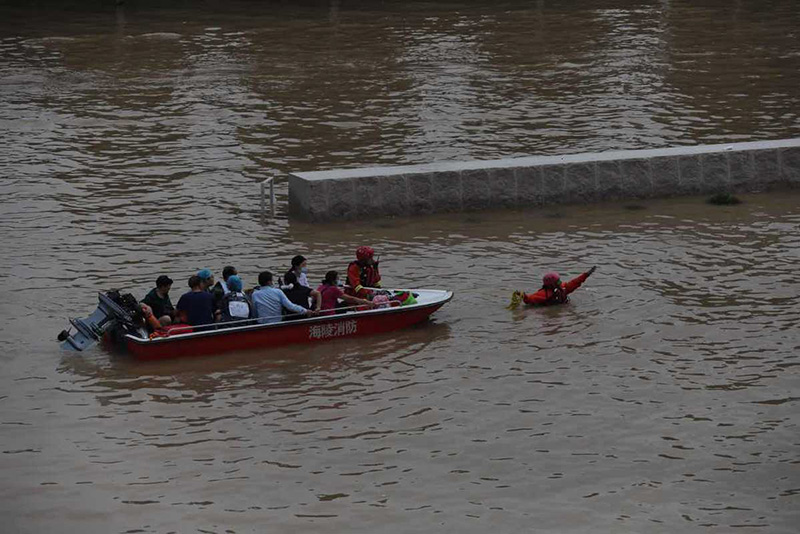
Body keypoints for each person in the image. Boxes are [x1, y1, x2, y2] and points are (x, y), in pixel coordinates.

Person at [508, 266, 597, 309]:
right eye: (558, 281)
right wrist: (523, 295)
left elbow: (574, 283)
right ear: (552, 284)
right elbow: (530, 299)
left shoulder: (563, 288)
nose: (560, 282)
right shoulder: (543, 294)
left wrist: (586, 275)